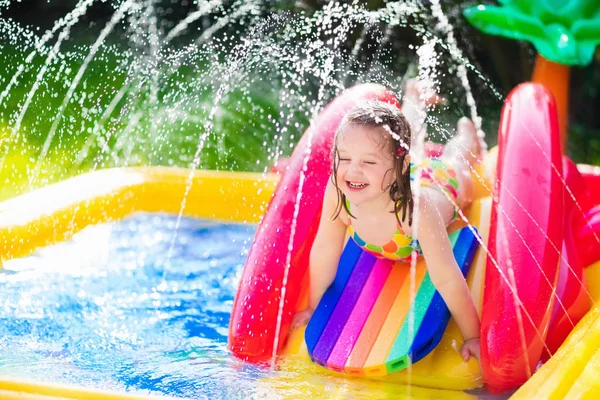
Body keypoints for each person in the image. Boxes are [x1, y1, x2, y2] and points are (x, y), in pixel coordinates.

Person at [291, 80, 483, 363]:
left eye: (367, 162)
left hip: (441, 185)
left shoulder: (414, 211)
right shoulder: (338, 190)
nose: (353, 171)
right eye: (344, 158)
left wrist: (473, 336)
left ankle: (468, 138)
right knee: (408, 150)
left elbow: (446, 277)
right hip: (401, 173)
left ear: (399, 171)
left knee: (457, 162)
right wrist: (314, 308)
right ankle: (414, 99)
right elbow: (325, 250)